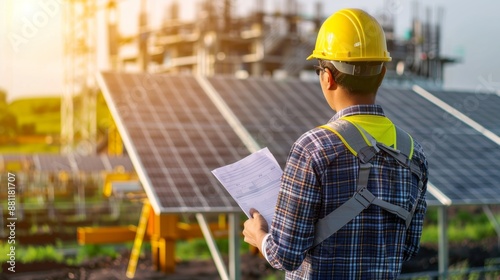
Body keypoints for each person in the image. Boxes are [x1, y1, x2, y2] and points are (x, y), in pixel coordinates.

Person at [242, 8, 428, 279]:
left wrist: (259, 236)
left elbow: (286, 255)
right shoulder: (415, 154)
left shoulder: (313, 147)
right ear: (383, 72)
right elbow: (407, 248)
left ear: (327, 77)